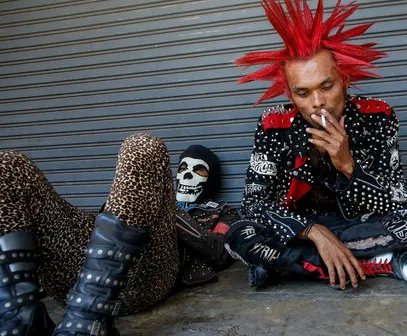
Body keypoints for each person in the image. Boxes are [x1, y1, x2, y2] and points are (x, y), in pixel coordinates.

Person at [226, 0, 407, 291]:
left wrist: (347, 165)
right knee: (240, 234)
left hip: (357, 224)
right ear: (290, 94)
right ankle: (374, 263)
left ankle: (286, 267)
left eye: (326, 86)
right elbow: (254, 204)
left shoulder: (379, 117)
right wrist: (314, 231)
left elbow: (394, 201)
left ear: (344, 80)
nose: (317, 102)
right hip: (297, 229)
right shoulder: (272, 124)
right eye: (303, 93)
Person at [0, 136, 236, 336]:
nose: (186, 176)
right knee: (9, 166)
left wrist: (169, 212)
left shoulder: (222, 211)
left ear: (211, 179)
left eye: (199, 170)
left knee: (143, 146)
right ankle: (19, 318)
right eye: (182, 168)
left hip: (143, 278)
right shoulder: (146, 195)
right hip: (78, 276)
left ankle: (89, 321)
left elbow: (218, 250)